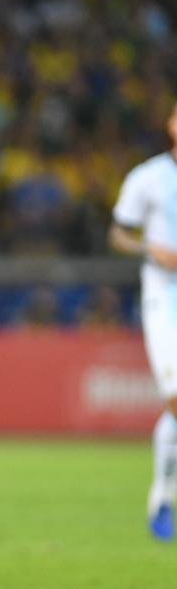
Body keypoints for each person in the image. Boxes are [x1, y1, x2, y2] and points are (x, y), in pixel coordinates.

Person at [109, 104, 177, 541]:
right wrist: (151, 251)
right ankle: (164, 496)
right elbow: (119, 233)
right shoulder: (147, 177)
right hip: (164, 297)